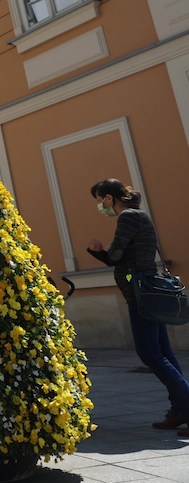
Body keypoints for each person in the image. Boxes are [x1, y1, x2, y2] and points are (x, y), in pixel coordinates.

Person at [87, 179, 189, 434]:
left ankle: (185, 408)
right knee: (163, 352)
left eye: (100, 200)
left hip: (140, 293)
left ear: (110, 198)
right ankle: (179, 410)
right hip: (144, 290)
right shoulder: (137, 216)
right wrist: (105, 252)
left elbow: (117, 256)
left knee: (150, 353)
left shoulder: (128, 217)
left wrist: (102, 250)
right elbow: (120, 257)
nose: (100, 206)